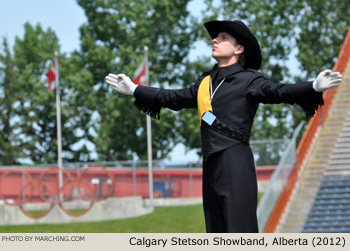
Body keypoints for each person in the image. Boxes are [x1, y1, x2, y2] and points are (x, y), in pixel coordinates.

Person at [105, 20, 342, 233]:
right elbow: (172, 98)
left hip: (235, 161)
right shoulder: (205, 82)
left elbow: (278, 91)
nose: (215, 40)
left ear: (239, 49)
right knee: (216, 232)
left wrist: (313, 87)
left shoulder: (250, 79)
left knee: (239, 232)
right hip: (210, 164)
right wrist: (135, 89)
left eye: (223, 38)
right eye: (215, 37)